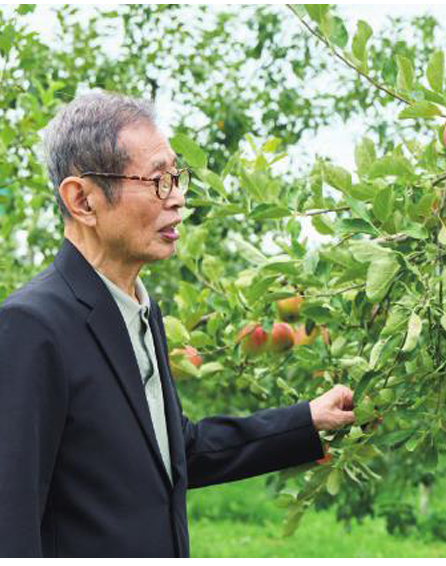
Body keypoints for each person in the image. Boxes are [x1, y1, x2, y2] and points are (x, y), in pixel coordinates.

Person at [0, 91, 356, 557]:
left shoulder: (141, 312)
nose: (178, 198)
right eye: (158, 181)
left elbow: (174, 453)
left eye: (176, 177)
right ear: (83, 200)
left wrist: (306, 421)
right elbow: (11, 516)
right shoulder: (33, 326)